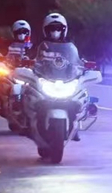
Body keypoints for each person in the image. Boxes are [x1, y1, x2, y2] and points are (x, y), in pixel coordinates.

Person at [34, 12, 85, 141]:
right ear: (46, 30)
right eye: (51, 29)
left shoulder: (70, 47)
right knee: (32, 97)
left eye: (58, 28)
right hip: (47, 79)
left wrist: (83, 66)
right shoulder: (41, 46)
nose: (55, 31)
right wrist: (29, 64)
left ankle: (75, 127)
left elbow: (76, 62)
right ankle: (33, 125)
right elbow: (34, 60)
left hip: (66, 79)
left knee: (80, 96)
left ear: (64, 30)